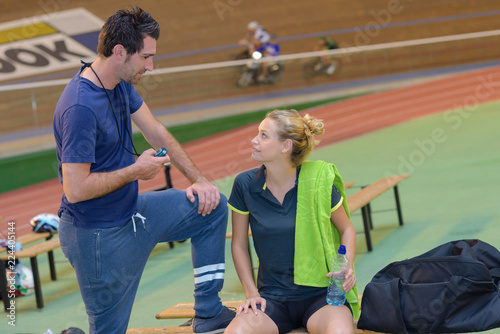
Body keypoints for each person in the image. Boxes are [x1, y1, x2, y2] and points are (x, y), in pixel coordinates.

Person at [53, 7, 235, 334]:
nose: (150, 66)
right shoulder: (80, 106)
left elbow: (156, 132)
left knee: (213, 206)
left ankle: (208, 312)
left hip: (132, 213)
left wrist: (200, 181)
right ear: (120, 52)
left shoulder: (119, 82)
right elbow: (75, 189)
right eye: (146, 57)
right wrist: (136, 170)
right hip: (96, 237)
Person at [225, 109, 360, 334]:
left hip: (321, 297)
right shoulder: (245, 184)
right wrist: (251, 293)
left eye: (263, 135)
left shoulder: (319, 181)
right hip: (271, 301)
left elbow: (346, 228)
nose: (254, 140)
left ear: (285, 146)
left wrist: (345, 266)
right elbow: (238, 244)